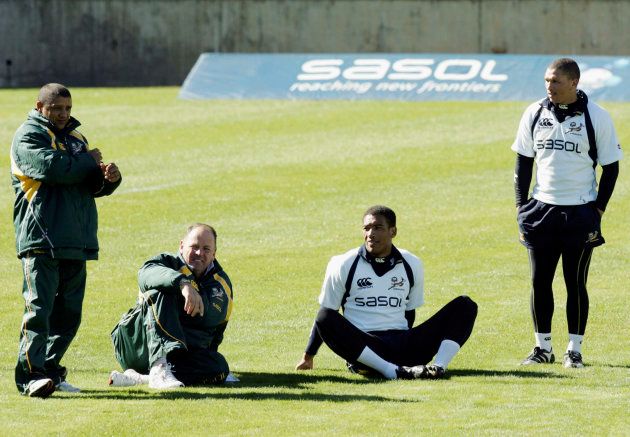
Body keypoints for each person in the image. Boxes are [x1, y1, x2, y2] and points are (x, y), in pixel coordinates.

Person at [10, 83, 122, 397]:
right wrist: (88, 161)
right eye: (57, 109)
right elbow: (52, 169)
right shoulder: (28, 136)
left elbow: (87, 184)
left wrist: (108, 178)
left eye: (68, 109)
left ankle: (50, 371)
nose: (63, 114)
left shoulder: (76, 139)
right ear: (39, 106)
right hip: (41, 236)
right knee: (39, 309)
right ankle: (29, 377)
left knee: (69, 313)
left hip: (76, 237)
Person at [512, 58, 623, 368]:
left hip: (579, 212)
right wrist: (521, 207)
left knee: (575, 283)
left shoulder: (596, 116)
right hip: (540, 210)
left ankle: (574, 350)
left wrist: (598, 209)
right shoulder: (534, 113)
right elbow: (523, 162)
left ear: (574, 83)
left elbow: (611, 167)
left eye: (555, 82)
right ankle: (542, 348)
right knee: (539, 281)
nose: (549, 87)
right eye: (547, 81)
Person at [295, 205, 477, 380]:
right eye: (366, 228)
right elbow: (325, 317)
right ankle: (391, 371)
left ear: (393, 231)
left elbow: (409, 312)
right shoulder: (343, 263)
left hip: (404, 345)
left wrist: (404, 341)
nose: (370, 234)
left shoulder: (412, 263)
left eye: (377, 227)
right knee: (324, 315)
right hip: (366, 348)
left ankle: (437, 368)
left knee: (465, 305)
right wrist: (308, 356)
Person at [109, 223, 234, 389]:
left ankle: (143, 378)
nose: (199, 253)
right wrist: (183, 283)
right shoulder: (166, 262)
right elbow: (145, 274)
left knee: (219, 367)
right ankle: (158, 365)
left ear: (214, 254)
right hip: (138, 346)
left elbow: (209, 322)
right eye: (194, 247)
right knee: (160, 290)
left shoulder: (220, 284)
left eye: (206, 249)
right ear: (181, 246)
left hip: (181, 353)